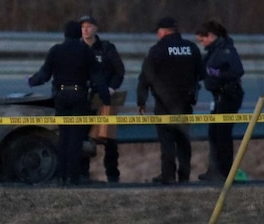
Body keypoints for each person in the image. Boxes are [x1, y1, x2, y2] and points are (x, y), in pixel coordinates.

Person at [28, 21, 111, 185]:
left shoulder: (56, 51)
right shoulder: (85, 52)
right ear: (78, 34)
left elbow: (44, 74)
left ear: (65, 34)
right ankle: (73, 176)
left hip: (61, 97)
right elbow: (98, 77)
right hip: (79, 96)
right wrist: (105, 98)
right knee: (76, 139)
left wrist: (31, 81)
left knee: (63, 137)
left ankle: (61, 176)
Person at [137, 16, 204, 184]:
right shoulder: (192, 48)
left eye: (159, 31)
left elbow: (145, 77)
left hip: (164, 103)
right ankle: (184, 175)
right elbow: (201, 74)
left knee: (167, 141)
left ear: (164, 31)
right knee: (183, 141)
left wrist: (141, 101)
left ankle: (168, 175)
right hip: (186, 102)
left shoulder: (157, 50)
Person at [77, 15, 126, 183]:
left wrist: (112, 87)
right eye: (83, 26)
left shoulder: (106, 48)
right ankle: (84, 175)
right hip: (83, 99)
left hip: (105, 99)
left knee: (109, 140)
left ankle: (113, 175)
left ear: (96, 28)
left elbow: (119, 70)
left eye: (89, 26)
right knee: (82, 137)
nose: (85, 29)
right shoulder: (77, 48)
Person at [195, 20, 245, 182]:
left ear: (210, 36)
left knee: (222, 134)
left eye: (202, 39)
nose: (201, 43)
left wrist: (218, 75)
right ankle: (214, 170)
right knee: (214, 133)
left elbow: (238, 70)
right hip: (219, 97)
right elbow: (202, 70)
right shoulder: (212, 51)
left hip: (228, 96)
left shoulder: (226, 50)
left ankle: (224, 172)